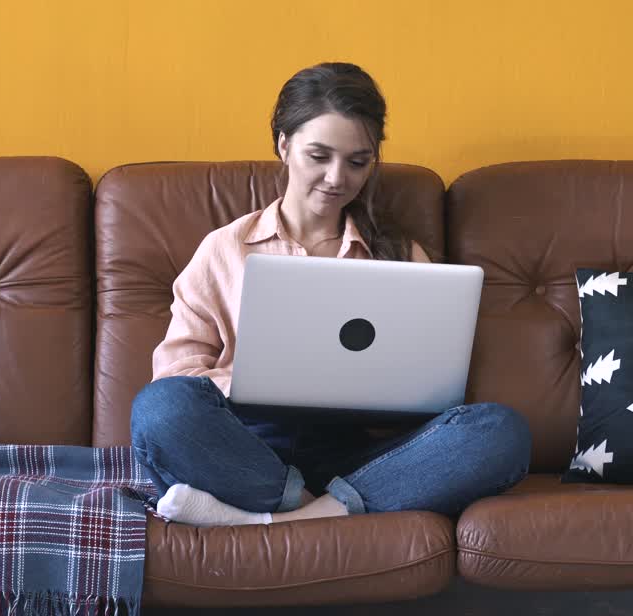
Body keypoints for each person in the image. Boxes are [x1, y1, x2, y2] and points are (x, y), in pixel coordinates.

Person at [130, 62, 531, 527]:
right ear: (284, 145)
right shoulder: (226, 248)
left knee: (500, 431)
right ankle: (312, 504)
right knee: (159, 411)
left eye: (357, 162)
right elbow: (175, 374)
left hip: (362, 454)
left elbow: (437, 384)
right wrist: (250, 385)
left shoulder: (399, 255)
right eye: (318, 156)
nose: (337, 178)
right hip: (246, 449)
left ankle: (278, 518)